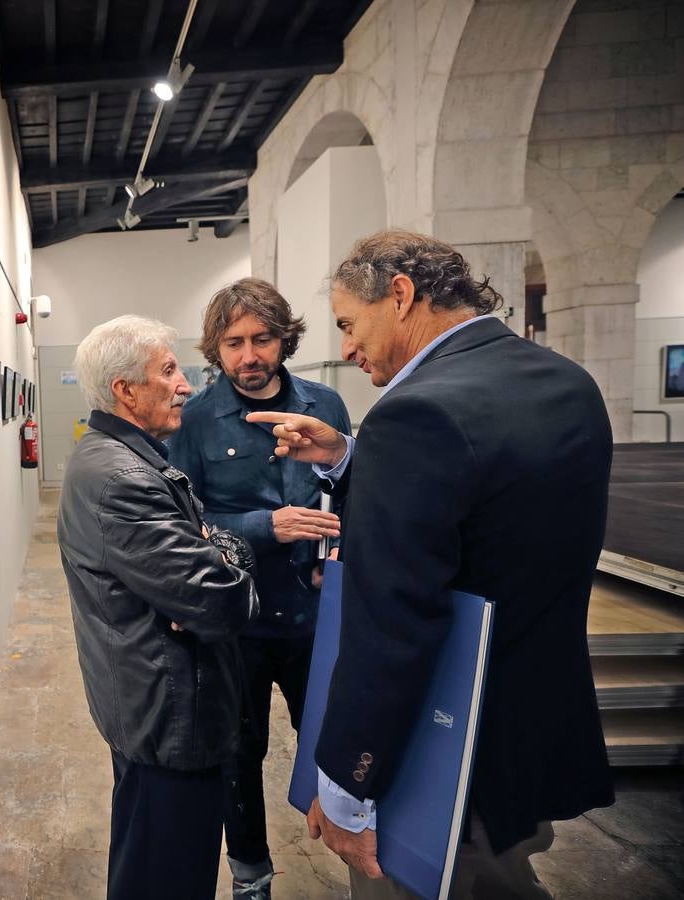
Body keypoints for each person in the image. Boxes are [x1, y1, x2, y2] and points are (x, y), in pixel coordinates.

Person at [248, 230, 613, 899]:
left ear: (402, 294)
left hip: (438, 757)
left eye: (349, 325)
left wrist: (349, 789)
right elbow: (490, 518)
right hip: (530, 735)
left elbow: (393, 622)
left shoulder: (414, 414)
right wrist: (353, 460)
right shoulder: (566, 383)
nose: (348, 348)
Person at [58, 315, 260, 900]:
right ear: (125, 390)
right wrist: (232, 565)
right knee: (167, 877)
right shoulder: (123, 477)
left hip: (153, 702)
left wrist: (214, 551)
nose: (186, 385)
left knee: (151, 862)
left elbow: (206, 569)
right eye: (168, 371)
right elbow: (222, 605)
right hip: (170, 714)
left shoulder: (122, 457)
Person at [168, 279, 350, 899]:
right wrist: (263, 527)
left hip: (317, 615)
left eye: (262, 339)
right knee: (238, 756)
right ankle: (252, 877)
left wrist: (335, 550)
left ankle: (355, 848)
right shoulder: (192, 418)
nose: (250, 356)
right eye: (235, 342)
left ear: (284, 339)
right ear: (216, 350)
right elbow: (180, 522)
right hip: (236, 623)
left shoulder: (326, 405)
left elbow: (348, 494)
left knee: (332, 742)